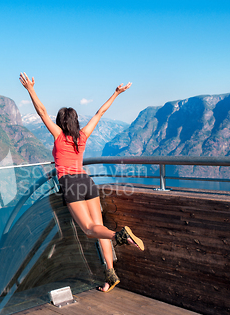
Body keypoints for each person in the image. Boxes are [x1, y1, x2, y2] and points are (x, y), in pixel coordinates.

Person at [19, 72, 144, 292]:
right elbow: (100, 113)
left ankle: (120, 235)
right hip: (87, 182)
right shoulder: (83, 135)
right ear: (75, 122)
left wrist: (30, 89)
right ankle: (110, 275)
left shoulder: (58, 135)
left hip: (70, 184)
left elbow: (42, 112)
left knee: (88, 229)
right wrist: (116, 93)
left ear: (61, 122)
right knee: (98, 228)